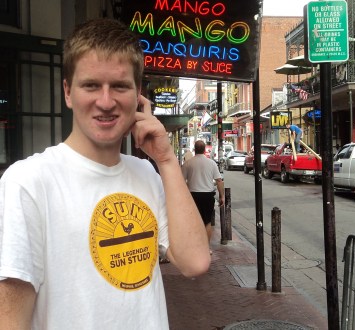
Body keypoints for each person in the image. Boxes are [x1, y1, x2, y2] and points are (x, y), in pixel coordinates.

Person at [0, 18, 210, 329]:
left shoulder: (147, 173)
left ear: (137, 95)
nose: (106, 101)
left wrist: (165, 160)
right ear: (68, 92)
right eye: (91, 85)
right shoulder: (28, 182)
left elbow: (195, 262)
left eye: (120, 86)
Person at [182, 140, 225, 245]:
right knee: (207, 222)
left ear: (194, 149)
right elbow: (219, 180)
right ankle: (206, 247)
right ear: (205, 149)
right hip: (207, 195)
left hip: (193, 196)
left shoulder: (188, 163)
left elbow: (181, 181)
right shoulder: (211, 163)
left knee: (194, 222)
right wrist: (222, 196)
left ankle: (196, 247)